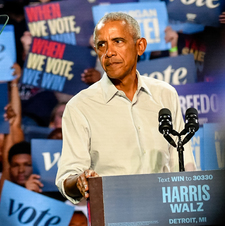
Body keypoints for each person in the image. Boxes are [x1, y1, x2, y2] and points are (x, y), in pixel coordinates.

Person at [56, 12, 196, 203]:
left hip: (168, 217)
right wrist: (79, 181)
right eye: (101, 45)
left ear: (140, 46)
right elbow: (67, 178)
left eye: (118, 41)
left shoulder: (165, 94)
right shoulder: (80, 106)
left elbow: (182, 162)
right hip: (114, 221)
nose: (109, 52)